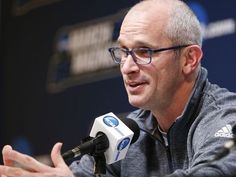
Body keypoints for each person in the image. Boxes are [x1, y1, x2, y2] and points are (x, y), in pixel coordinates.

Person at [1, 0, 236, 176]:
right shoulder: (128, 132)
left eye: (144, 52)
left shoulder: (225, 117)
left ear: (189, 59)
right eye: (123, 52)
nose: (128, 67)